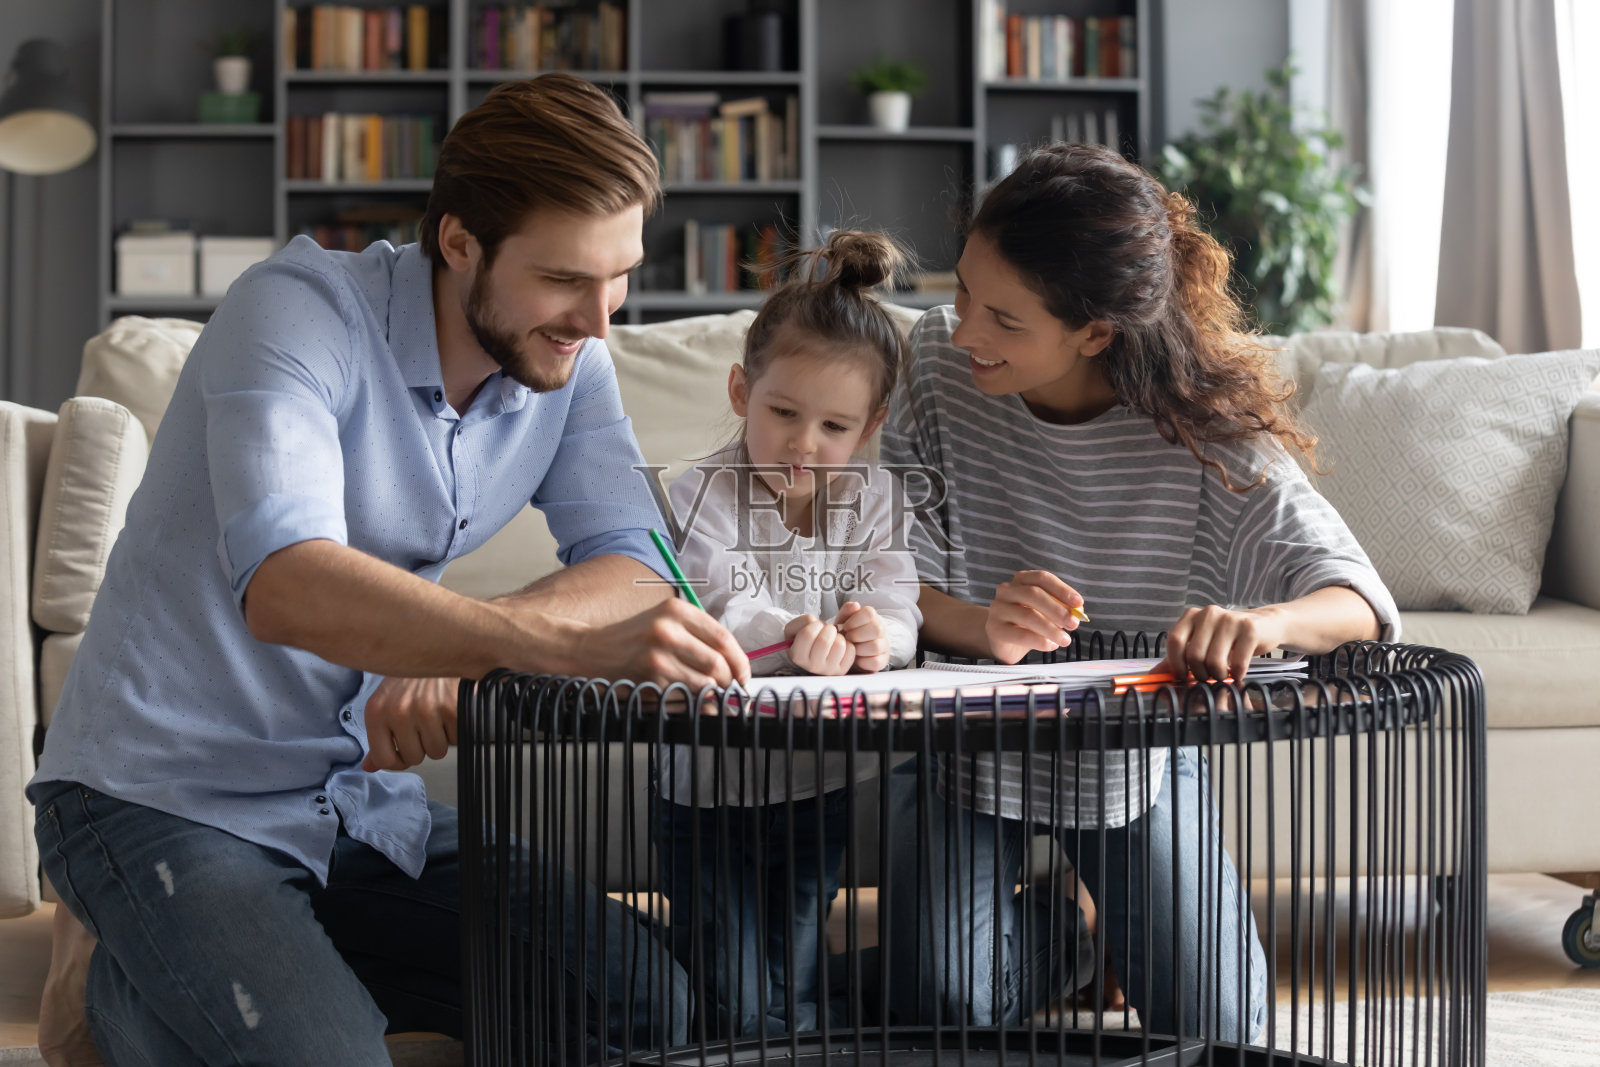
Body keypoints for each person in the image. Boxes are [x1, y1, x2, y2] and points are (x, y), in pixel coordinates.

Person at [29, 73, 750, 1067]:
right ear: (458, 242)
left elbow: (642, 564)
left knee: (646, 1005)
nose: (600, 316)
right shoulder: (294, 312)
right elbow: (290, 581)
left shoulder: (570, 360)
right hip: (159, 795)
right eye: (563, 279)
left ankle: (178, 975)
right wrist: (534, 638)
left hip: (347, 800)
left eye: (618, 273)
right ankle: (147, 968)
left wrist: (463, 654)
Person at [880, 142, 1400, 1041]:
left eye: (1004, 318)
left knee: (1221, 1028)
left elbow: (1354, 597)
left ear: (1095, 331)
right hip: (965, 742)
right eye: (963, 290)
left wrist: (1256, 622)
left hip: (1133, 759)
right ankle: (1063, 933)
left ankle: (1099, 914)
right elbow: (886, 568)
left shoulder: (1200, 423)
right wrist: (978, 621)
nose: (964, 329)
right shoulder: (937, 361)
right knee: (950, 1002)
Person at [652, 230, 923, 1037]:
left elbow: (899, 601)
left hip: (818, 785)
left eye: (835, 428)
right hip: (707, 795)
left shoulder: (876, 498)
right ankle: (792, 1018)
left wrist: (882, 637)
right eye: (783, 413)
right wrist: (799, 631)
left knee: (789, 970)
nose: (805, 444)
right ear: (741, 390)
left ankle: (800, 1017)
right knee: (741, 1003)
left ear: (870, 426)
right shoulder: (699, 492)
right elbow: (717, 604)